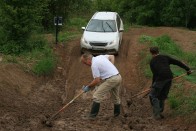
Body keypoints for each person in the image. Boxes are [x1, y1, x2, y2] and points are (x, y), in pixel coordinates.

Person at [149, 46, 192, 120]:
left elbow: (155, 75)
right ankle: (160, 112)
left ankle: (156, 115)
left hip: (160, 78)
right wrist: (187, 69)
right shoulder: (165, 57)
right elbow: (177, 62)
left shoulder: (152, 62)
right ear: (158, 51)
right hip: (169, 77)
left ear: (151, 53)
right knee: (162, 96)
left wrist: (153, 85)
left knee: (152, 95)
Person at [80, 52, 122, 119]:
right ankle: (117, 115)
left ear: (88, 60)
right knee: (115, 97)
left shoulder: (94, 65)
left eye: (85, 63)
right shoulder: (100, 57)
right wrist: (112, 66)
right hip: (118, 77)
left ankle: (92, 116)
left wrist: (88, 87)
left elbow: (97, 80)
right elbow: (112, 56)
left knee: (97, 96)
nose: (86, 65)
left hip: (111, 80)